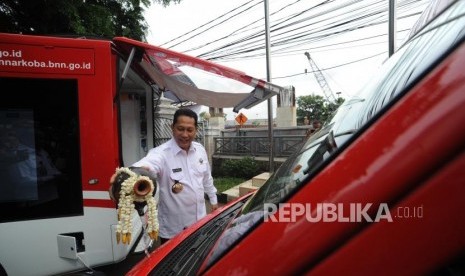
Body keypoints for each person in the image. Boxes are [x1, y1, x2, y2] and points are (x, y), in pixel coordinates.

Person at [111, 108, 218, 244]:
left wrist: (214, 201)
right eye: (180, 129)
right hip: (174, 230)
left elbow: (207, 178)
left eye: (189, 130)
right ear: (172, 128)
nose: (185, 134)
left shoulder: (200, 150)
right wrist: (131, 174)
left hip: (200, 221)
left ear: (196, 130)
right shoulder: (161, 153)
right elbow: (149, 164)